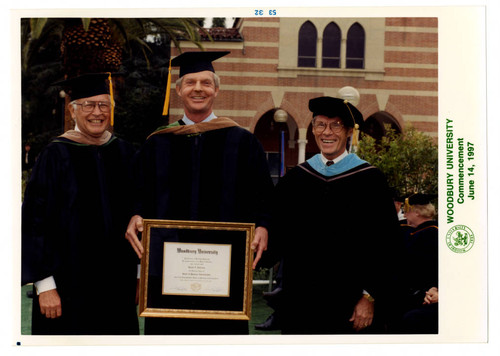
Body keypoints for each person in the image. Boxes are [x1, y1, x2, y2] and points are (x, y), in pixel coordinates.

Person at [125, 51, 274, 335]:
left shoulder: (243, 142)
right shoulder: (157, 143)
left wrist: (264, 225)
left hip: (226, 272)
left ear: (216, 90)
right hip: (167, 272)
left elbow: (264, 195)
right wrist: (135, 213)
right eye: (190, 82)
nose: (198, 89)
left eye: (206, 83)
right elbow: (137, 193)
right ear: (179, 90)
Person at [269, 96, 403, 334]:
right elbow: (274, 230)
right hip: (301, 301)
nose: (326, 132)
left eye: (336, 125)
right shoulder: (297, 179)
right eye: (320, 124)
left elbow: (386, 245)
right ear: (312, 129)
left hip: (349, 304)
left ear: (350, 131)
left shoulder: (370, 180)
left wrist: (369, 296)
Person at [22, 73, 139, 335]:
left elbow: (140, 215)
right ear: (73, 111)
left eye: (103, 105)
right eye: (88, 105)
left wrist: (139, 274)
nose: (96, 112)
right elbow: (33, 223)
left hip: (116, 288)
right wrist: (44, 285)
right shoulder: (54, 155)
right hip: (66, 290)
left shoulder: (125, 153)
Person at [398, 193, 438, 333]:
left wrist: (435, 289)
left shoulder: (431, 233)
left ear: (416, 212)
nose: (404, 214)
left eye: (406, 211)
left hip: (424, 296)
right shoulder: (415, 231)